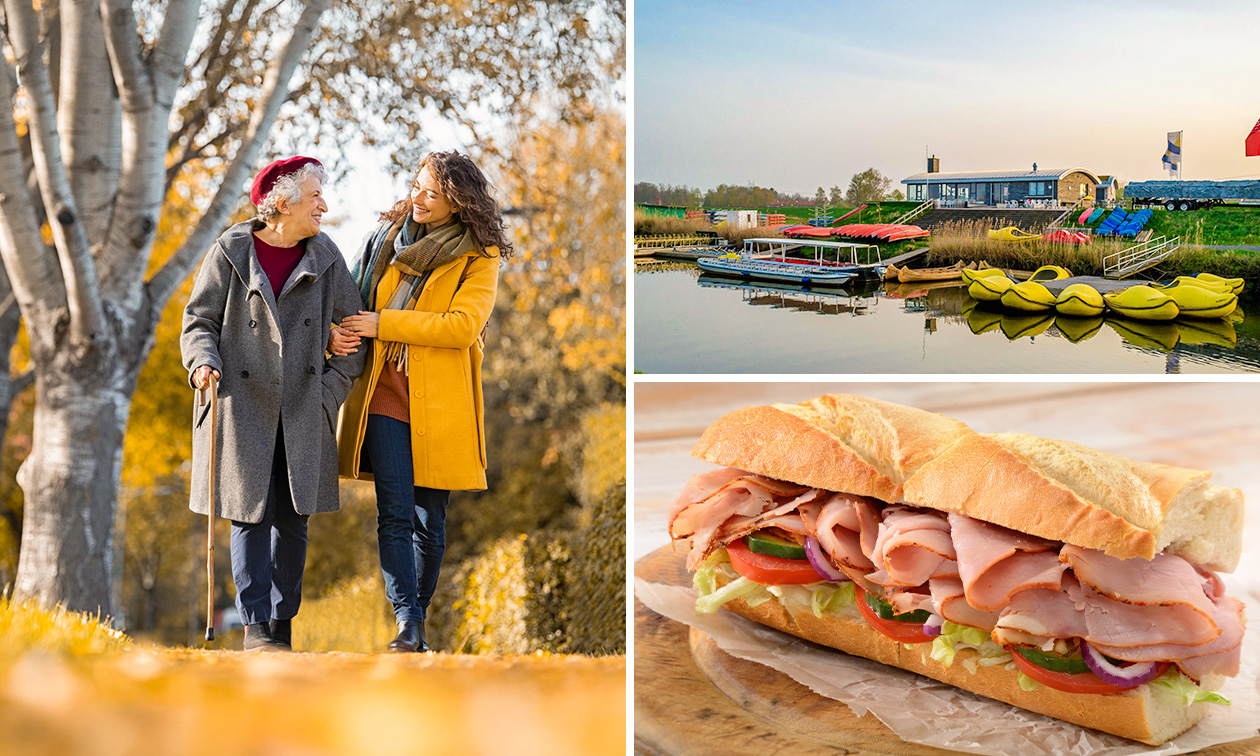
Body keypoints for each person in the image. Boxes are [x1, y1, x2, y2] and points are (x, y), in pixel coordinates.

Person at [181, 156, 367, 652]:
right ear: (281, 204)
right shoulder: (231, 251)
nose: (324, 206)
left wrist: (328, 394)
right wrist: (202, 362)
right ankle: (256, 627)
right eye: (314, 197)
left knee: (293, 518)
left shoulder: (326, 256)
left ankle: (282, 626)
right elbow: (199, 321)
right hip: (241, 403)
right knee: (250, 514)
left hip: (304, 407)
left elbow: (355, 335)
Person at [330, 150, 511, 653]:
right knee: (395, 511)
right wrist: (336, 331)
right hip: (384, 391)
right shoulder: (385, 240)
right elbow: (348, 298)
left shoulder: (480, 255)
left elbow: (460, 327)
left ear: (457, 203)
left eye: (431, 193)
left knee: (431, 522)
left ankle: (418, 620)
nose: (418, 199)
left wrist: (384, 324)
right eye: (416, 186)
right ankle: (407, 623)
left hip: (441, 403)